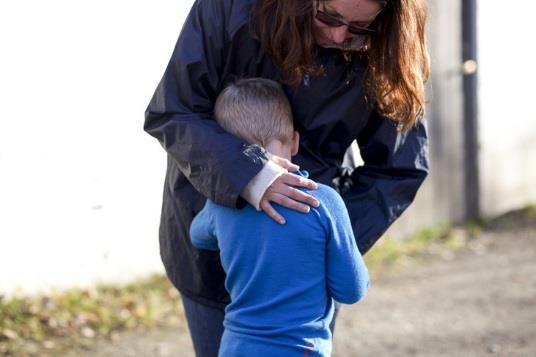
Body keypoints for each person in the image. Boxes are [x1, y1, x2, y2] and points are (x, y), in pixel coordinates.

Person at [144, 0, 430, 355]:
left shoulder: (387, 46)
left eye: (360, 29)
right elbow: (174, 110)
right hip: (208, 255)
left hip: (305, 290)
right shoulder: (230, 8)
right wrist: (249, 174)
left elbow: (399, 168)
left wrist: (319, 246)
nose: (340, 36)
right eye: (328, 17)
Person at [189, 77, 369, 356]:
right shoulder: (323, 201)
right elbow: (352, 290)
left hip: (236, 346)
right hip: (301, 348)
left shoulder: (223, 203)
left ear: (228, 149)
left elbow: (197, 236)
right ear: (294, 141)